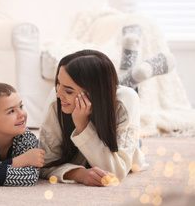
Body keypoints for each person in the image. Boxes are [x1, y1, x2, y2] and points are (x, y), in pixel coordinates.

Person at [39, 49, 149, 187]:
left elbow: (116, 172)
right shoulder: (57, 98)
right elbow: (45, 162)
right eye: (58, 83)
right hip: (105, 102)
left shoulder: (125, 102)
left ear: (94, 93)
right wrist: (79, 174)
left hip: (115, 127)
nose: (59, 93)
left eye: (68, 91)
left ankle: (130, 69)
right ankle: (128, 70)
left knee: (130, 92)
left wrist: (82, 125)